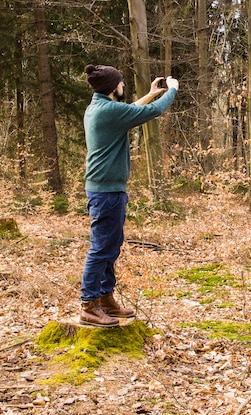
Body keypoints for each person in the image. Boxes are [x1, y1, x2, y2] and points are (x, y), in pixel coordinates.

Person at [80, 64, 179, 327]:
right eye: (122, 82)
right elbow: (152, 112)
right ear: (115, 87)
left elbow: (132, 110)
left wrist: (151, 93)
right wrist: (172, 90)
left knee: (110, 248)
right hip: (106, 193)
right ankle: (89, 305)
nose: (124, 86)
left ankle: (105, 298)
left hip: (108, 190)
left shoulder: (100, 107)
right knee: (101, 249)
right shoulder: (108, 111)